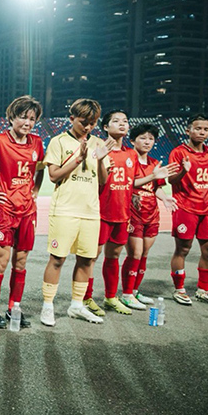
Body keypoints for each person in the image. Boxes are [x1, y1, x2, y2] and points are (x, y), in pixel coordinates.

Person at [39, 98, 115, 326]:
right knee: (57, 259)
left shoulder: (99, 144)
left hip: (90, 211)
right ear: (71, 118)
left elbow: (102, 180)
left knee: (86, 260)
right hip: (64, 209)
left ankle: (76, 305)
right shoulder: (58, 141)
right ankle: (48, 306)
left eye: (92, 123)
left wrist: (100, 160)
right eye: (83, 122)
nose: (88, 127)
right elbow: (53, 175)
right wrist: (79, 158)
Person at [0, 95, 45, 329]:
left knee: (21, 263)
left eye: (32, 119)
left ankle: (14, 306)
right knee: (1, 263)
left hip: (28, 212)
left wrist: (35, 190)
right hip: (4, 211)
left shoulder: (37, 143)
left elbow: (40, 168)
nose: (28, 122)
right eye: (23, 117)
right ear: (12, 117)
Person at [166, 114, 208, 306]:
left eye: (206, 129)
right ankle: (180, 289)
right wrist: (184, 170)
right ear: (188, 130)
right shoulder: (178, 152)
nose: (202, 132)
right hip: (185, 207)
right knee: (182, 248)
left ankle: (203, 290)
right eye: (198, 128)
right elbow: (171, 179)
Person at [87, 110, 139, 316]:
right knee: (92, 257)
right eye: (116, 121)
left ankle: (110, 297)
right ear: (105, 127)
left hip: (122, 213)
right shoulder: (96, 149)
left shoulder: (131, 154)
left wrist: (134, 193)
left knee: (114, 256)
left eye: (125, 121)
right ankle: (86, 297)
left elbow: (130, 181)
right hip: (100, 212)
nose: (122, 124)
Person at [123, 123, 178, 307]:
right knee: (135, 254)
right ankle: (127, 293)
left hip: (151, 214)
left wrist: (165, 199)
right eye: (143, 138)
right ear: (132, 140)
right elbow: (128, 183)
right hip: (133, 214)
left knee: (144, 254)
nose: (147, 142)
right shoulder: (128, 160)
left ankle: (136, 292)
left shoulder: (155, 163)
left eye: (151, 138)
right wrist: (152, 178)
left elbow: (157, 188)